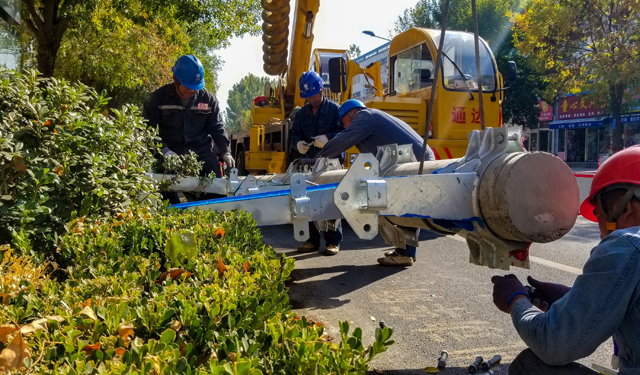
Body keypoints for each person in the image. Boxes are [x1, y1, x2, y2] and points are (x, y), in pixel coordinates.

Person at [490, 145, 640, 375]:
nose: (602, 233)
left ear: (626, 207)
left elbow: (554, 344)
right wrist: (571, 296)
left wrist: (516, 300)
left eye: (599, 218)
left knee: (531, 366)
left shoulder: (626, 246)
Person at [316, 99, 436, 267]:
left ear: (352, 113)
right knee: (402, 204)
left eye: (343, 121)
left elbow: (344, 139)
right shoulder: (369, 120)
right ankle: (405, 252)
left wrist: (317, 158)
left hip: (416, 159)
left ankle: (405, 253)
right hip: (414, 157)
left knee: (402, 204)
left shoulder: (365, 117)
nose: (344, 126)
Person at [143, 55, 234, 187]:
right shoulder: (158, 98)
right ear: (175, 79)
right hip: (170, 154)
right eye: (187, 86)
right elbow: (147, 130)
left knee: (217, 189)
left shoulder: (208, 100)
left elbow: (217, 127)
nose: (192, 90)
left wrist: (226, 151)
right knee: (166, 197)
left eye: (195, 87)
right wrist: (165, 151)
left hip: (202, 154)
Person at [291, 70, 344, 256]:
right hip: (309, 163)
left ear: (321, 90)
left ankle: (332, 241)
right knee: (308, 201)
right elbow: (295, 134)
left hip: (331, 164)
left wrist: (329, 138)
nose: (311, 100)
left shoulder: (335, 110)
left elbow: (345, 133)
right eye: (307, 97)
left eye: (313, 95)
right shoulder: (301, 114)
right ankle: (311, 240)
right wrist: (298, 143)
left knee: (331, 201)